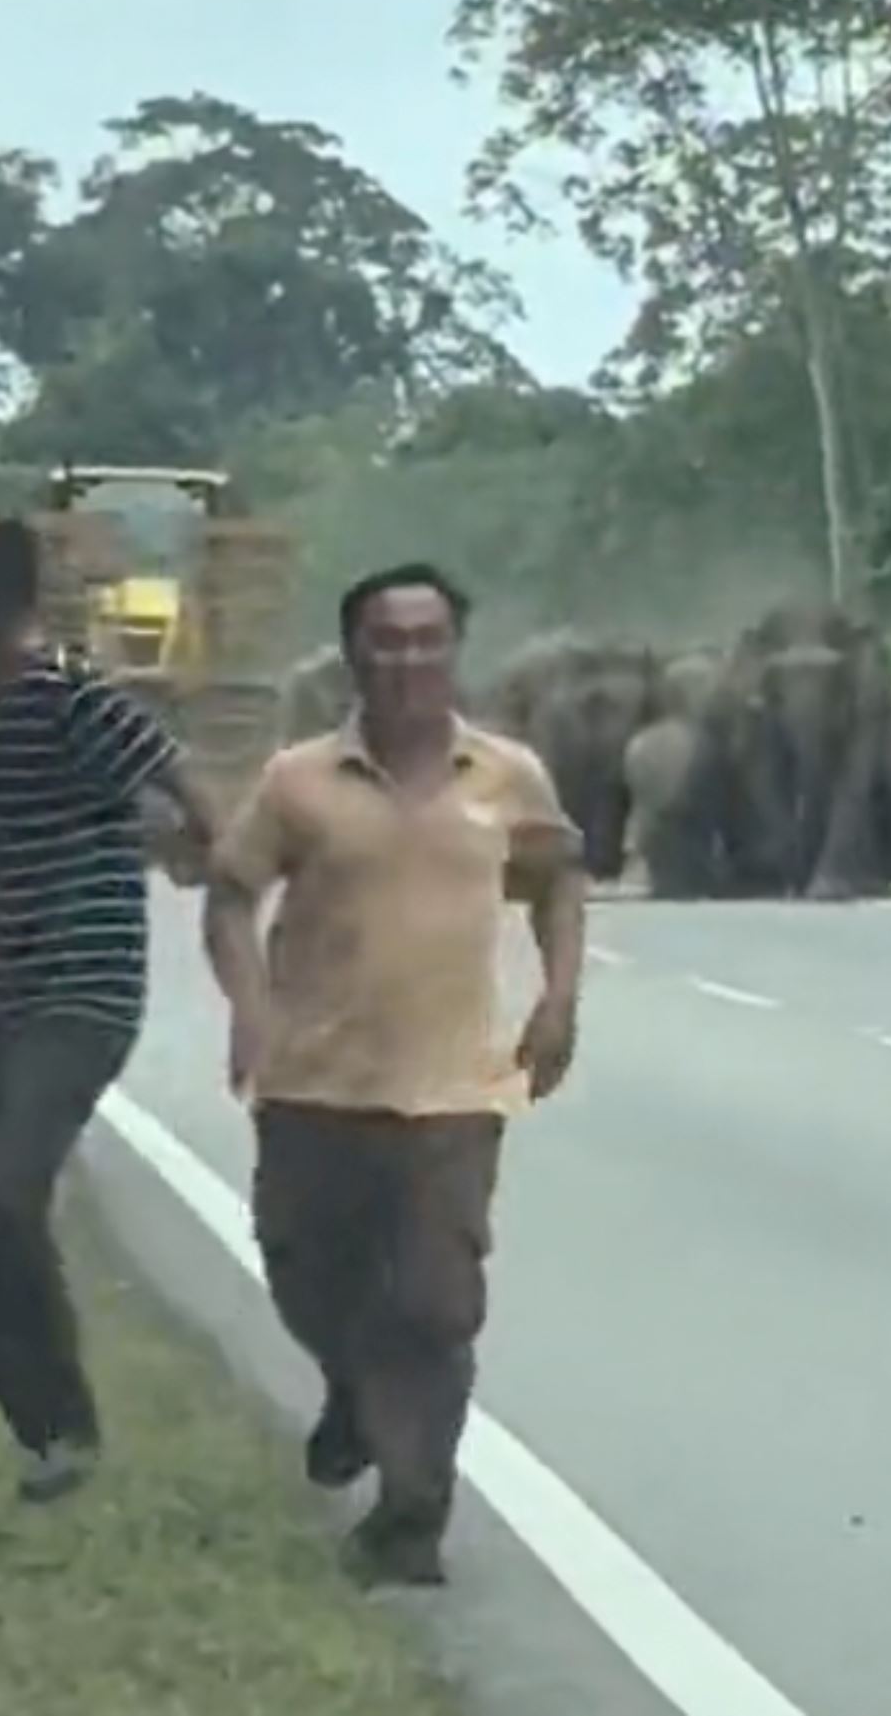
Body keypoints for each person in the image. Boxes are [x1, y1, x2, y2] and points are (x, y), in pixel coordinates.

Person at [200, 560, 586, 1588]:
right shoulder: (297, 781)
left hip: (452, 1093)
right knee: (303, 1267)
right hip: (313, 1084)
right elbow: (230, 895)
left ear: (455, 650)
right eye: (388, 639)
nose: (409, 659)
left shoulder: (507, 776)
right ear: (354, 654)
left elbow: (557, 880)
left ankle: (412, 1519)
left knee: (434, 1304)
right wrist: (250, 1009)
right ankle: (352, 1389)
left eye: (428, 639)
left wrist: (559, 999)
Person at [0, 509, 219, 1503]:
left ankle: (70, 1428)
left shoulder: (75, 697)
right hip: (9, 995)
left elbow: (188, 788)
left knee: (3, 1195)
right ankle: (43, 1429)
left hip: (83, 992)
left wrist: (201, 851)